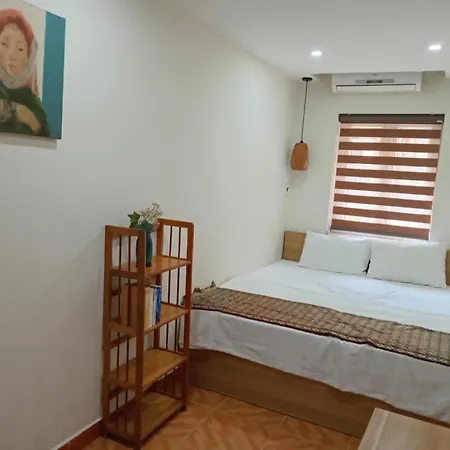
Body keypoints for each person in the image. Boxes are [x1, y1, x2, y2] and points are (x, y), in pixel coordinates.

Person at [0, 9, 50, 137]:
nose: (12, 55)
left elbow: (44, 133)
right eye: (4, 43)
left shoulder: (32, 101)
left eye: (20, 49)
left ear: (29, 57)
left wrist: (34, 122)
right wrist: (15, 110)